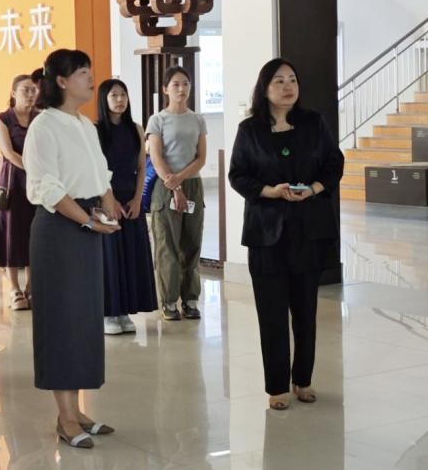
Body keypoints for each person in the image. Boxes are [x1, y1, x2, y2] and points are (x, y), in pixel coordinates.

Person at [227, 59, 343, 410]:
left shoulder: (313, 123)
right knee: (272, 313)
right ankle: (276, 387)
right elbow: (237, 175)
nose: (287, 86)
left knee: (306, 312)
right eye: (278, 81)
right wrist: (269, 191)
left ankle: (303, 380)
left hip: (308, 230)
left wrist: (315, 189)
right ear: (265, 88)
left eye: (292, 79)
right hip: (266, 234)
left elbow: (334, 162)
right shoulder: (250, 130)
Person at [22, 49, 121, 449]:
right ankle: (64, 418)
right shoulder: (44, 126)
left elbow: (99, 174)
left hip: (85, 225)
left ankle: (77, 410)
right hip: (59, 230)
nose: (90, 78)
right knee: (61, 321)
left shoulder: (84, 124)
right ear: (61, 81)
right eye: (82, 72)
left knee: (82, 320)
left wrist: (108, 204)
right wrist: (87, 220)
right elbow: (47, 187)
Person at [146, 67, 209, 321]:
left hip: (191, 184)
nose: (181, 89)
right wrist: (174, 186)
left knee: (192, 243)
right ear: (165, 89)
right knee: (167, 245)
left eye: (185, 83)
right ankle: (169, 301)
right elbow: (156, 157)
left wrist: (180, 180)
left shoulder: (198, 120)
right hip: (165, 185)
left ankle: (190, 300)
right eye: (175, 84)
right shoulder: (157, 120)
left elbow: (201, 158)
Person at [95, 79, 157, 335]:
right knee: (110, 257)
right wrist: (110, 200)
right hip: (106, 199)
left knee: (131, 255)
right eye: (114, 95)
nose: (120, 100)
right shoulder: (96, 130)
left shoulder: (136, 129)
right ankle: (109, 313)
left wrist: (137, 199)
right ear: (104, 99)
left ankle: (125, 312)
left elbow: (142, 167)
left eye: (123, 94)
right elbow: (97, 169)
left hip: (132, 200)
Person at [0, 74, 38, 311]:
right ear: (13, 93)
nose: (30, 95)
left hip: (38, 185)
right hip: (13, 183)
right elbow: (8, 153)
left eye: (33, 90)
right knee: (11, 234)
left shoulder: (40, 117)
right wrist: (35, 168)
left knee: (34, 233)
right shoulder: (3, 119)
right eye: (25, 90)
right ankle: (14, 289)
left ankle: (31, 286)